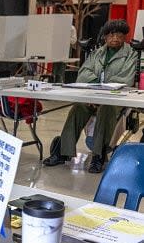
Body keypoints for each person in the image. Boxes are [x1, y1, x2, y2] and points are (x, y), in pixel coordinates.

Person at [43, 19, 137, 173]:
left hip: (116, 99)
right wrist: (95, 93)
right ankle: (64, 152)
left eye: (119, 35)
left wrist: (101, 92)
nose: (115, 38)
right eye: (112, 35)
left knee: (106, 108)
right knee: (77, 108)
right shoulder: (96, 53)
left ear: (125, 37)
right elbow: (83, 75)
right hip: (92, 96)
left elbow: (125, 79)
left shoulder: (130, 55)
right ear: (105, 37)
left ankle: (98, 156)